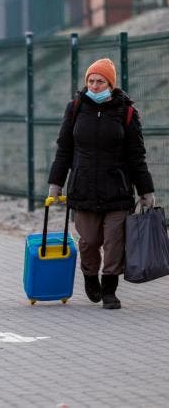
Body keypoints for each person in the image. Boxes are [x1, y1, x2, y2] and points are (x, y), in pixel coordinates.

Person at [48, 58, 154, 310]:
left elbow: (136, 155)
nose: (94, 86)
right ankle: (89, 276)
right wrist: (56, 183)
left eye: (100, 81)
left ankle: (109, 288)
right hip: (83, 187)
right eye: (91, 81)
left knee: (115, 241)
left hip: (117, 188)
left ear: (111, 84)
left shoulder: (126, 112)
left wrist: (146, 190)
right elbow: (64, 150)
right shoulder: (75, 108)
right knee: (88, 241)